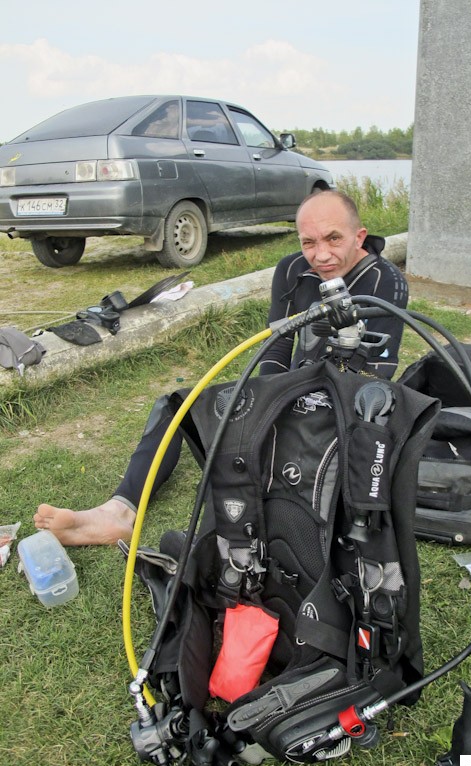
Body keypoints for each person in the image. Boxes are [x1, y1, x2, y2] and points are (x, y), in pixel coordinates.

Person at [33, 190, 409, 546]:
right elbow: (276, 345)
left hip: (338, 411)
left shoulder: (384, 281)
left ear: (359, 236)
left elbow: (373, 379)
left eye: (333, 239)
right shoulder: (292, 269)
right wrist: (267, 405)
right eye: (308, 242)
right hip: (287, 391)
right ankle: (119, 511)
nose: (321, 254)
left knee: (239, 468)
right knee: (176, 406)